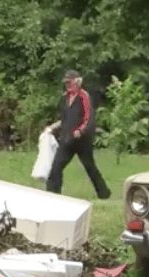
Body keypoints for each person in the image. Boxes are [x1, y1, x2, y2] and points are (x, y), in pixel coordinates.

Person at [45, 69, 111, 199]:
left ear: (77, 82)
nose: (67, 85)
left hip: (82, 141)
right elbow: (64, 119)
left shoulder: (84, 96)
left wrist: (80, 130)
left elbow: (88, 117)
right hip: (67, 139)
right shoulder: (65, 98)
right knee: (56, 166)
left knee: (89, 166)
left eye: (70, 82)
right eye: (66, 83)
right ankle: (53, 195)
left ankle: (104, 193)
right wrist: (52, 128)